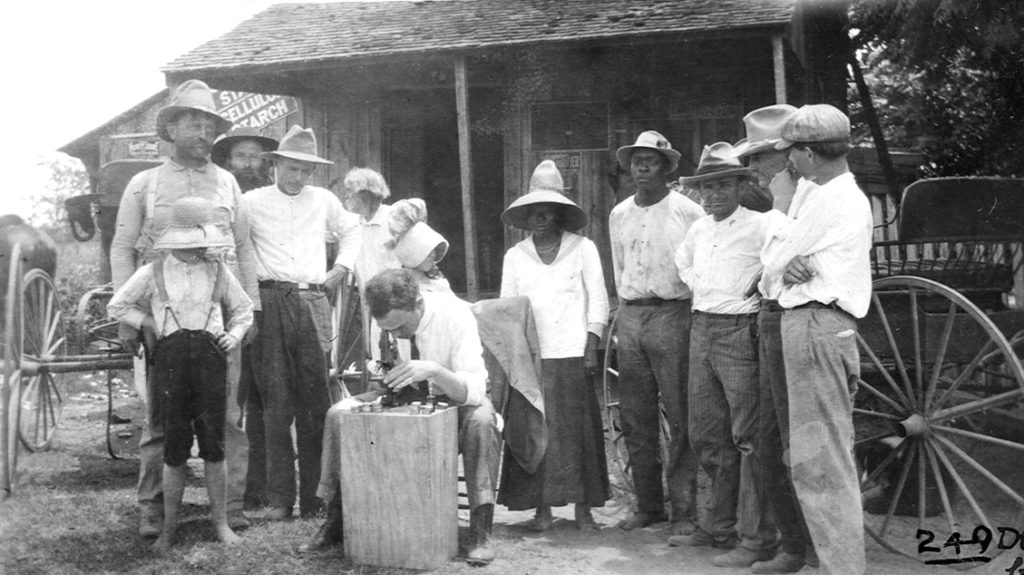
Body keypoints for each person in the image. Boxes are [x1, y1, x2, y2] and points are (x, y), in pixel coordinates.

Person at [110, 79, 257, 536]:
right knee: (159, 420)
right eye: (193, 122)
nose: (203, 131)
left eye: (209, 124)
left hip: (217, 321)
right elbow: (122, 246)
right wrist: (134, 322)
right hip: (163, 323)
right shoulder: (144, 184)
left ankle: (229, 506)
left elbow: (244, 247)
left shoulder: (228, 182)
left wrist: (249, 316)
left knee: (228, 416)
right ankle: (152, 507)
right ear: (170, 129)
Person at [303, 269, 501, 565]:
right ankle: (336, 518)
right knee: (337, 415)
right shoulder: (384, 322)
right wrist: (383, 374)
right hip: (409, 398)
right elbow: (380, 368)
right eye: (388, 329)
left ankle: (480, 529)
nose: (394, 334)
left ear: (418, 304)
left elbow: (473, 388)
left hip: (457, 402)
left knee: (482, 423)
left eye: (400, 327)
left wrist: (434, 370)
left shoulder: (456, 316)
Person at [107, 197, 254, 554]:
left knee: (214, 445)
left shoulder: (219, 271)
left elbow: (244, 310)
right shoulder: (154, 272)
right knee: (173, 445)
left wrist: (232, 335)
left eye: (202, 243)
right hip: (171, 363)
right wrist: (149, 321)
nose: (198, 250)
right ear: (175, 242)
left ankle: (220, 523)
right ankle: (168, 529)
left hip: (211, 360)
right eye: (191, 244)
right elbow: (118, 305)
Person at [763, 104, 872, 575]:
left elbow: (768, 270)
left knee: (821, 460)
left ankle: (842, 569)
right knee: (818, 455)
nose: (788, 162)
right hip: (813, 323)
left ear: (809, 153)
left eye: (793, 153)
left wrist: (781, 265)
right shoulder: (820, 191)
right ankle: (834, 564)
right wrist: (781, 263)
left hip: (814, 324)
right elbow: (775, 263)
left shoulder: (832, 199)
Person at [243, 125, 361, 520]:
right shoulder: (252, 202)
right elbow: (236, 247)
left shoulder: (323, 200)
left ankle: (316, 499)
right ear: (275, 166)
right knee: (276, 404)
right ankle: (279, 500)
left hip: (313, 299)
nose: (298, 178)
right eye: (291, 168)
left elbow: (352, 230)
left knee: (316, 402)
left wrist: (341, 269)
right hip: (270, 299)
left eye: (305, 171)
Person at [670, 143, 777, 568]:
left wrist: (758, 280)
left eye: (723, 186)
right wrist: (701, 283)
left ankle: (756, 537)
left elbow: (790, 254)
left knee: (748, 436)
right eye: (708, 188)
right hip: (702, 328)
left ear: (739, 186)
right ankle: (717, 526)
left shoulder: (763, 225)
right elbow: (684, 264)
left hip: (739, 331)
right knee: (707, 434)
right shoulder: (698, 229)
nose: (715, 195)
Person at [496, 160, 610, 531]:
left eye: (549, 210)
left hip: (573, 353)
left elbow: (599, 299)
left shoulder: (583, 248)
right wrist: (515, 358)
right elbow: (507, 309)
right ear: (526, 215)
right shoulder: (515, 256)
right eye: (534, 211)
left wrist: (592, 343)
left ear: (560, 213)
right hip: (533, 356)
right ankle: (541, 508)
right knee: (535, 429)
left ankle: (583, 509)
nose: (541, 216)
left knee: (578, 431)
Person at [608, 130, 704, 535]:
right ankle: (648, 505)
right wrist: (624, 312)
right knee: (635, 414)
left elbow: (701, 268)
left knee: (680, 414)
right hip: (632, 316)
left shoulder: (687, 211)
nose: (642, 167)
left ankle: (684, 511)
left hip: (673, 314)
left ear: (666, 167)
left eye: (651, 161)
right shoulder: (619, 214)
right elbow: (619, 266)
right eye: (636, 161)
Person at [735, 104, 817, 574]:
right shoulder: (768, 203)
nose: (752, 170)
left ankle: (800, 547)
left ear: (784, 154)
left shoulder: (805, 197)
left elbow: (807, 262)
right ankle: (792, 543)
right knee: (770, 440)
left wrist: (783, 267)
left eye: (758, 158)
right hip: (769, 317)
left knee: (793, 440)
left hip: (796, 321)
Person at [211, 126, 279, 512]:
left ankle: (260, 485)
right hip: (223, 307)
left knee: (265, 398)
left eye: (256, 157)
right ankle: (232, 490)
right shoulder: (222, 198)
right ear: (228, 161)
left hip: (265, 302)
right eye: (241, 156)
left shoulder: (272, 201)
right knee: (230, 400)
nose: (249, 164)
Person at [388, 198, 453, 294]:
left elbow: (454, 304)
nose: (433, 255)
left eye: (433, 250)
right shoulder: (401, 289)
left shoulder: (438, 283)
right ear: (411, 253)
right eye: (426, 251)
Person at [211, 126, 278, 192]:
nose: (247, 164)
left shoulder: (274, 195)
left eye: (254, 157)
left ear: (264, 161)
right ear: (229, 160)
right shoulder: (215, 192)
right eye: (240, 157)